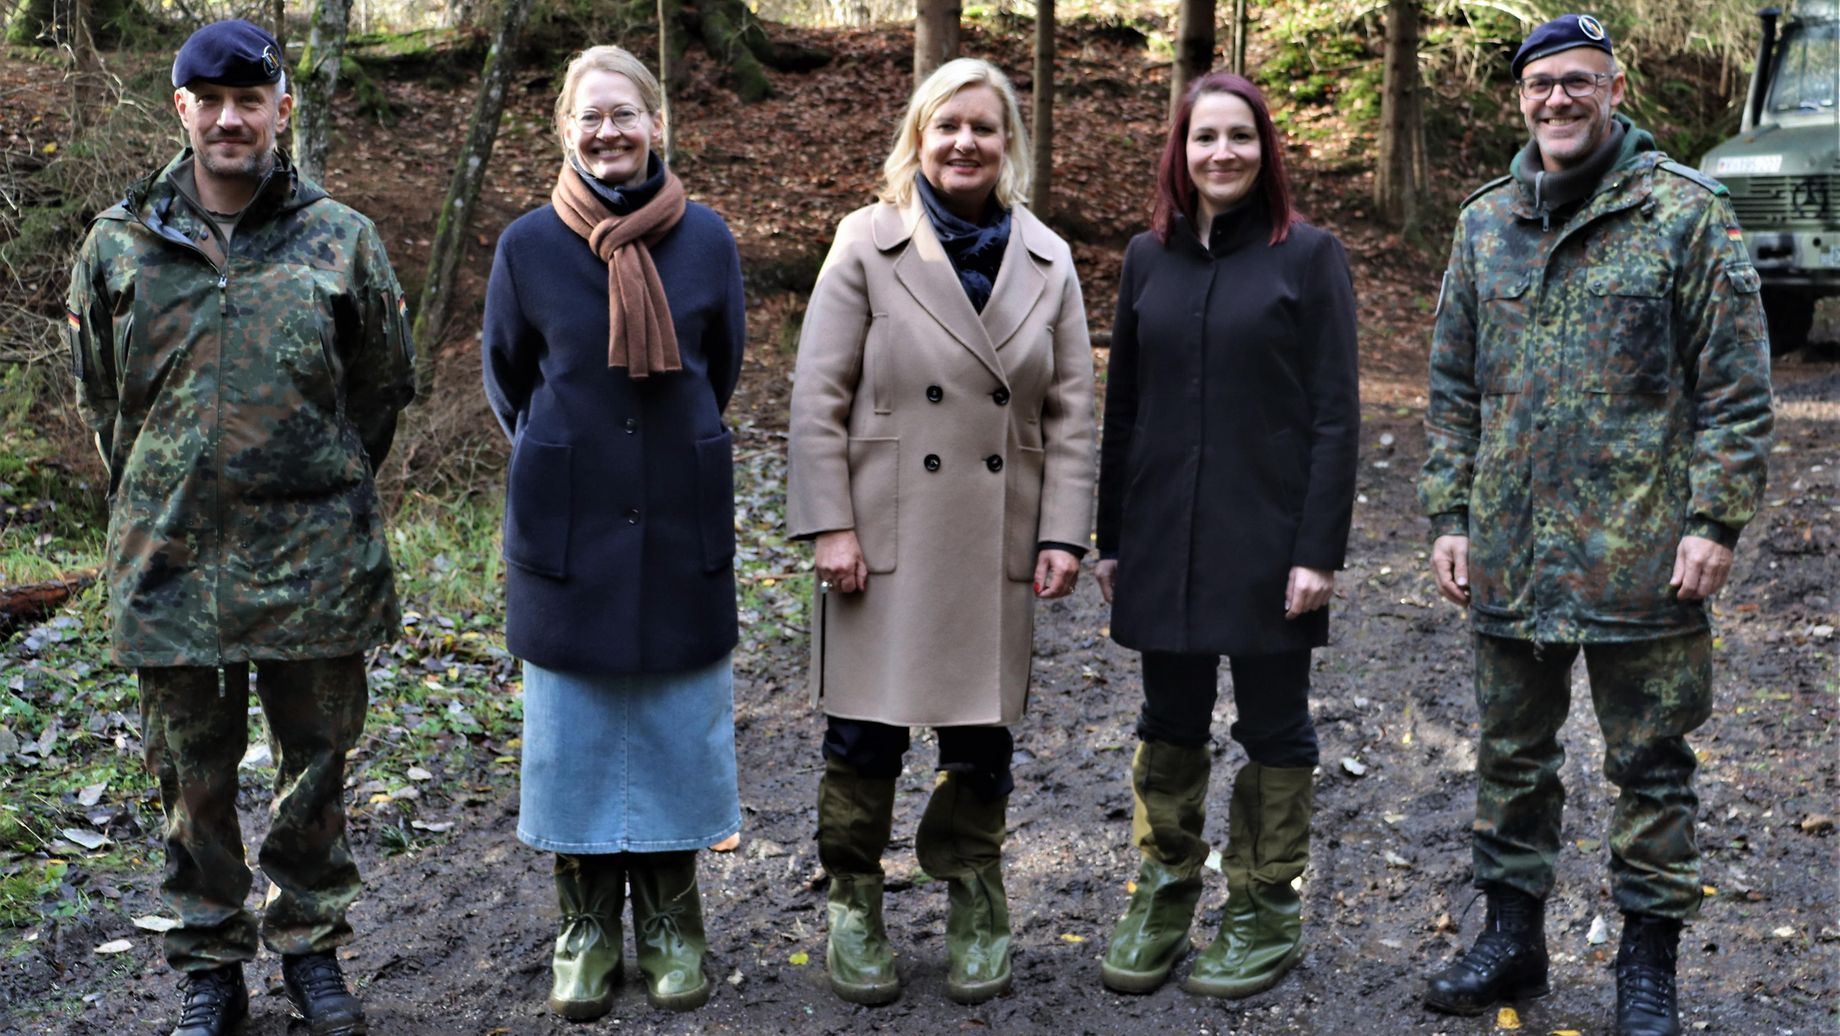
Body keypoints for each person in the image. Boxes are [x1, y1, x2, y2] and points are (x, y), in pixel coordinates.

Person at [1417, 15, 1774, 1036]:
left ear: (1615, 91)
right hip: (1510, 551)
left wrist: (1715, 520)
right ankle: (1511, 938)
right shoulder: (1485, 223)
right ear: (1520, 100)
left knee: (1651, 766)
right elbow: (1451, 384)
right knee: (1510, 757)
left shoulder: (1684, 215)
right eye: (1539, 87)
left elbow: (1738, 393)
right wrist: (1448, 509)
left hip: (1646, 553)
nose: (1557, 101)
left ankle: (1645, 969)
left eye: (1577, 83)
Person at [64, 18, 414, 1036]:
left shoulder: (341, 239)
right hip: (170, 559)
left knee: (317, 770)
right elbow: (103, 405)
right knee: (191, 780)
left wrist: (310, 480)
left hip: (315, 563)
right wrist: (171, 489)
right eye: (208, 100)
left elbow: (379, 392)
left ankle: (311, 951)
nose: (229, 118)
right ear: (182, 107)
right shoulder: (118, 242)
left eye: (248, 100)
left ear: (279, 110)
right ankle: (210, 962)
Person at [786, 57, 1095, 1006]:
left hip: (993, 532)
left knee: (980, 739)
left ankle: (973, 891)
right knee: (864, 734)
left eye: (984, 128)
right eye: (946, 124)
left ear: (1011, 145)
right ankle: (852, 895)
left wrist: (1063, 535)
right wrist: (829, 525)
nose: (965, 142)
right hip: (881, 536)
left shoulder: (1048, 258)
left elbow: (1073, 414)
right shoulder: (864, 241)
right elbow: (816, 398)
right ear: (918, 136)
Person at [481, 44, 744, 1018]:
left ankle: (675, 923)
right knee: (576, 734)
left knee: (674, 726)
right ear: (565, 129)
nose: (607, 132)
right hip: (569, 526)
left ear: (657, 125)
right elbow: (509, 378)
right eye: (589, 117)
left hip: (678, 518)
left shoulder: (709, 241)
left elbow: (723, 370)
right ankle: (585, 928)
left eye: (624, 114)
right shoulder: (527, 246)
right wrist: (569, 455)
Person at [1092, 72, 1359, 1000]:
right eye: (1205, 138)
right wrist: (1110, 541)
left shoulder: (1309, 258)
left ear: (1264, 149)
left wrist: (1318, 549)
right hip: (1163, 533)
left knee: (1275, 724)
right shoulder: (1145, 258)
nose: (1222, 154)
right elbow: (1122, 408)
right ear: (1182, 150)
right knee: (1167, 721)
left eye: (1239, 137)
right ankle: (1164, 893)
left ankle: (1263, 907)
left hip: (1269, 539)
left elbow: (1335, 416)